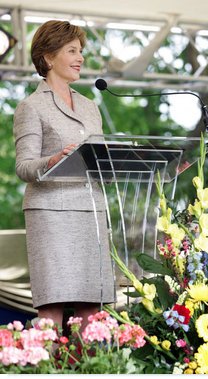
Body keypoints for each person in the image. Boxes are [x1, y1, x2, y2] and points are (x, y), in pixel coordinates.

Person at [13, 20, 115, 330]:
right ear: (47, 58)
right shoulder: (30, 107)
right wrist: (54, 159)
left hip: (91, 213)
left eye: (81, 50)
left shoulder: (90, 107)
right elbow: (24, 166)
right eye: (71, 50)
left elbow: (97, 160)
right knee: (53, 306)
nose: (81, 57)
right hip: (51, 215)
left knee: (91, 308)